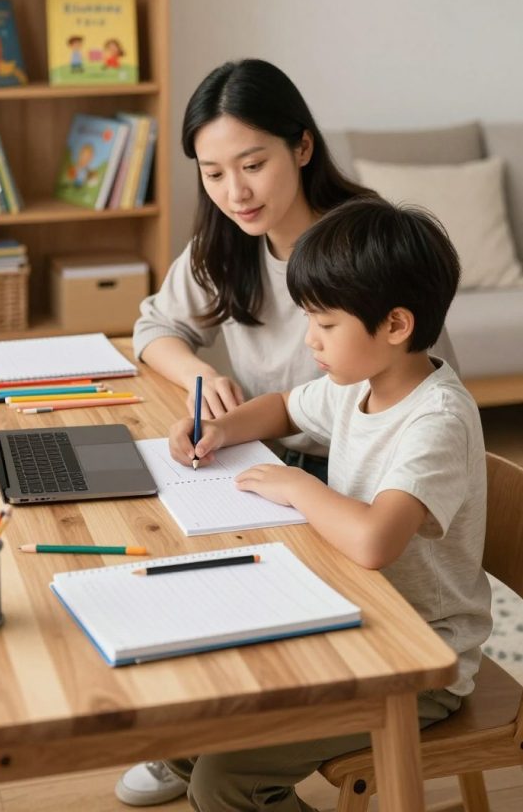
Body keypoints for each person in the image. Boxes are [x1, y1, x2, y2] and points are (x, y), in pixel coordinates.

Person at [116, 59, 458, 806]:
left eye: (251, 164)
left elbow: (411, 397)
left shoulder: (363, 251)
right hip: (292, 470)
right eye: (212, 173)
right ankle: (191, 749)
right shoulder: (228, 244)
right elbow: (158, 329)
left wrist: (295, 477)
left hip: (361, 496)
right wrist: (209, 398)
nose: (234, 192)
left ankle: (207, 756)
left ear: (301, 148)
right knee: (175, 574)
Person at [160, 196, 492, 812]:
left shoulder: (437, 419)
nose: (310, 339)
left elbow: (375, 541)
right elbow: (285, 407)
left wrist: (298, 486)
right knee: (189, 717)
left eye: (326, 324)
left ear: (395, 326)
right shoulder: (361, 384)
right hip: (353, 620)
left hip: (419, 662)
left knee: (224, 782)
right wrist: (220, 429)